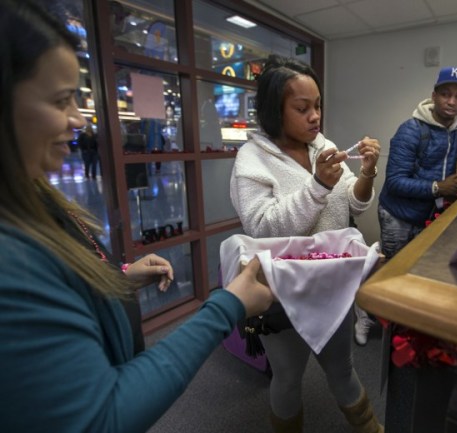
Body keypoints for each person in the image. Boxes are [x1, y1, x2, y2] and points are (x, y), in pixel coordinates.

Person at [0, 1, 273, 432]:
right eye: (60, 99)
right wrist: (228, 306)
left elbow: (61, 287)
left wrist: (117, 277)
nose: (77, 119)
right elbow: (101, 416)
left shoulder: (34, 199)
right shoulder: (10, 260)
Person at [230, 54, 384, 433]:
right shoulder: (251, 160)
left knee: (342, 368)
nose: (315, 116)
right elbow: (262, 226)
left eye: (317, 106)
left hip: (332, 283)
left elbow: (354, 202)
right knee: (287, 377)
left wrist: (365, 173)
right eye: (303, 108)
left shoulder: (322, 146)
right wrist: (317, 187)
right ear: (273, 110)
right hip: (284, 291)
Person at [360, 66, 457, 346]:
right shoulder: (410, 130)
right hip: (398, 213)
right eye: (446, 94)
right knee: (393, 271)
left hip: (432, 213)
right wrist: (438, 187)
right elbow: (396, 181)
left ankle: (403, 329)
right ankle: (365, 314)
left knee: (418, 271)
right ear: (434, 95)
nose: (452, 101)